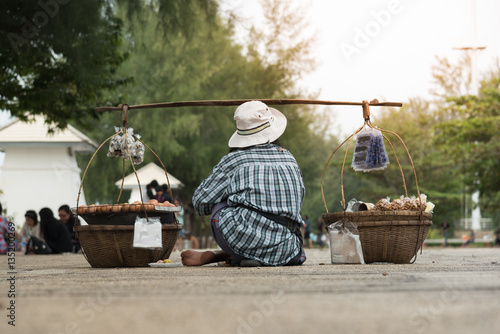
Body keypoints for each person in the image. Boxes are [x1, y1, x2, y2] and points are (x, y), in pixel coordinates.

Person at [181, 101, 306, 267]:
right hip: (288, 247)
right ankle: (244, 255)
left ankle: (234, 253)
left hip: (243, 239)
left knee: (220, 204)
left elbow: (200, 202)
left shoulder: (234, 160)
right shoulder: (289, 158)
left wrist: (230, 194)